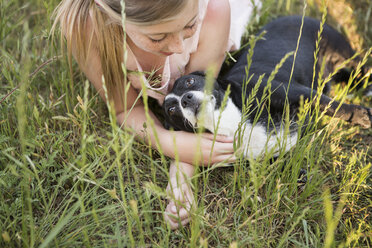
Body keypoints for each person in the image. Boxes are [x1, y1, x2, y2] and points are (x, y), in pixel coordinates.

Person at [52, 0, 261, 229]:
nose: (179, 46)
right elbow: (124, 108)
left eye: (190, 26)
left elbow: (195, 107)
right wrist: (166, 141)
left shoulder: (213, 10)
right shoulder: (86, 26)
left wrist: (180, 177)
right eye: (158, 38)